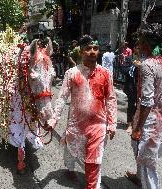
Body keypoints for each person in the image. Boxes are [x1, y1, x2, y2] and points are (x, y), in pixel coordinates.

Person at [47, 35, 117, 189]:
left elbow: (111, 98)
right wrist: (54, 119)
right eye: (88, 49)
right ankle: (70, 168)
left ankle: (92, 186)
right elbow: (62, 98)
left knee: (94, 159)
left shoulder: (105, 73)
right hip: (76, 124)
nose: (92, 52)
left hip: (98, 125)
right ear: (81, 52)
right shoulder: (72, 73)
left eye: (95, 49)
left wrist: (112, 123)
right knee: (71, 150)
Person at [126, 23, 162, 189]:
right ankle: (139, 177)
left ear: (146, 43)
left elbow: (147, 100)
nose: (138, 44)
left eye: (140, 40)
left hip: (149, 121)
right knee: (141, 151)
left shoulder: (147, 65)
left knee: (148, 161)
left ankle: (147, 183)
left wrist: (138, 128)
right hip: (160, 120)